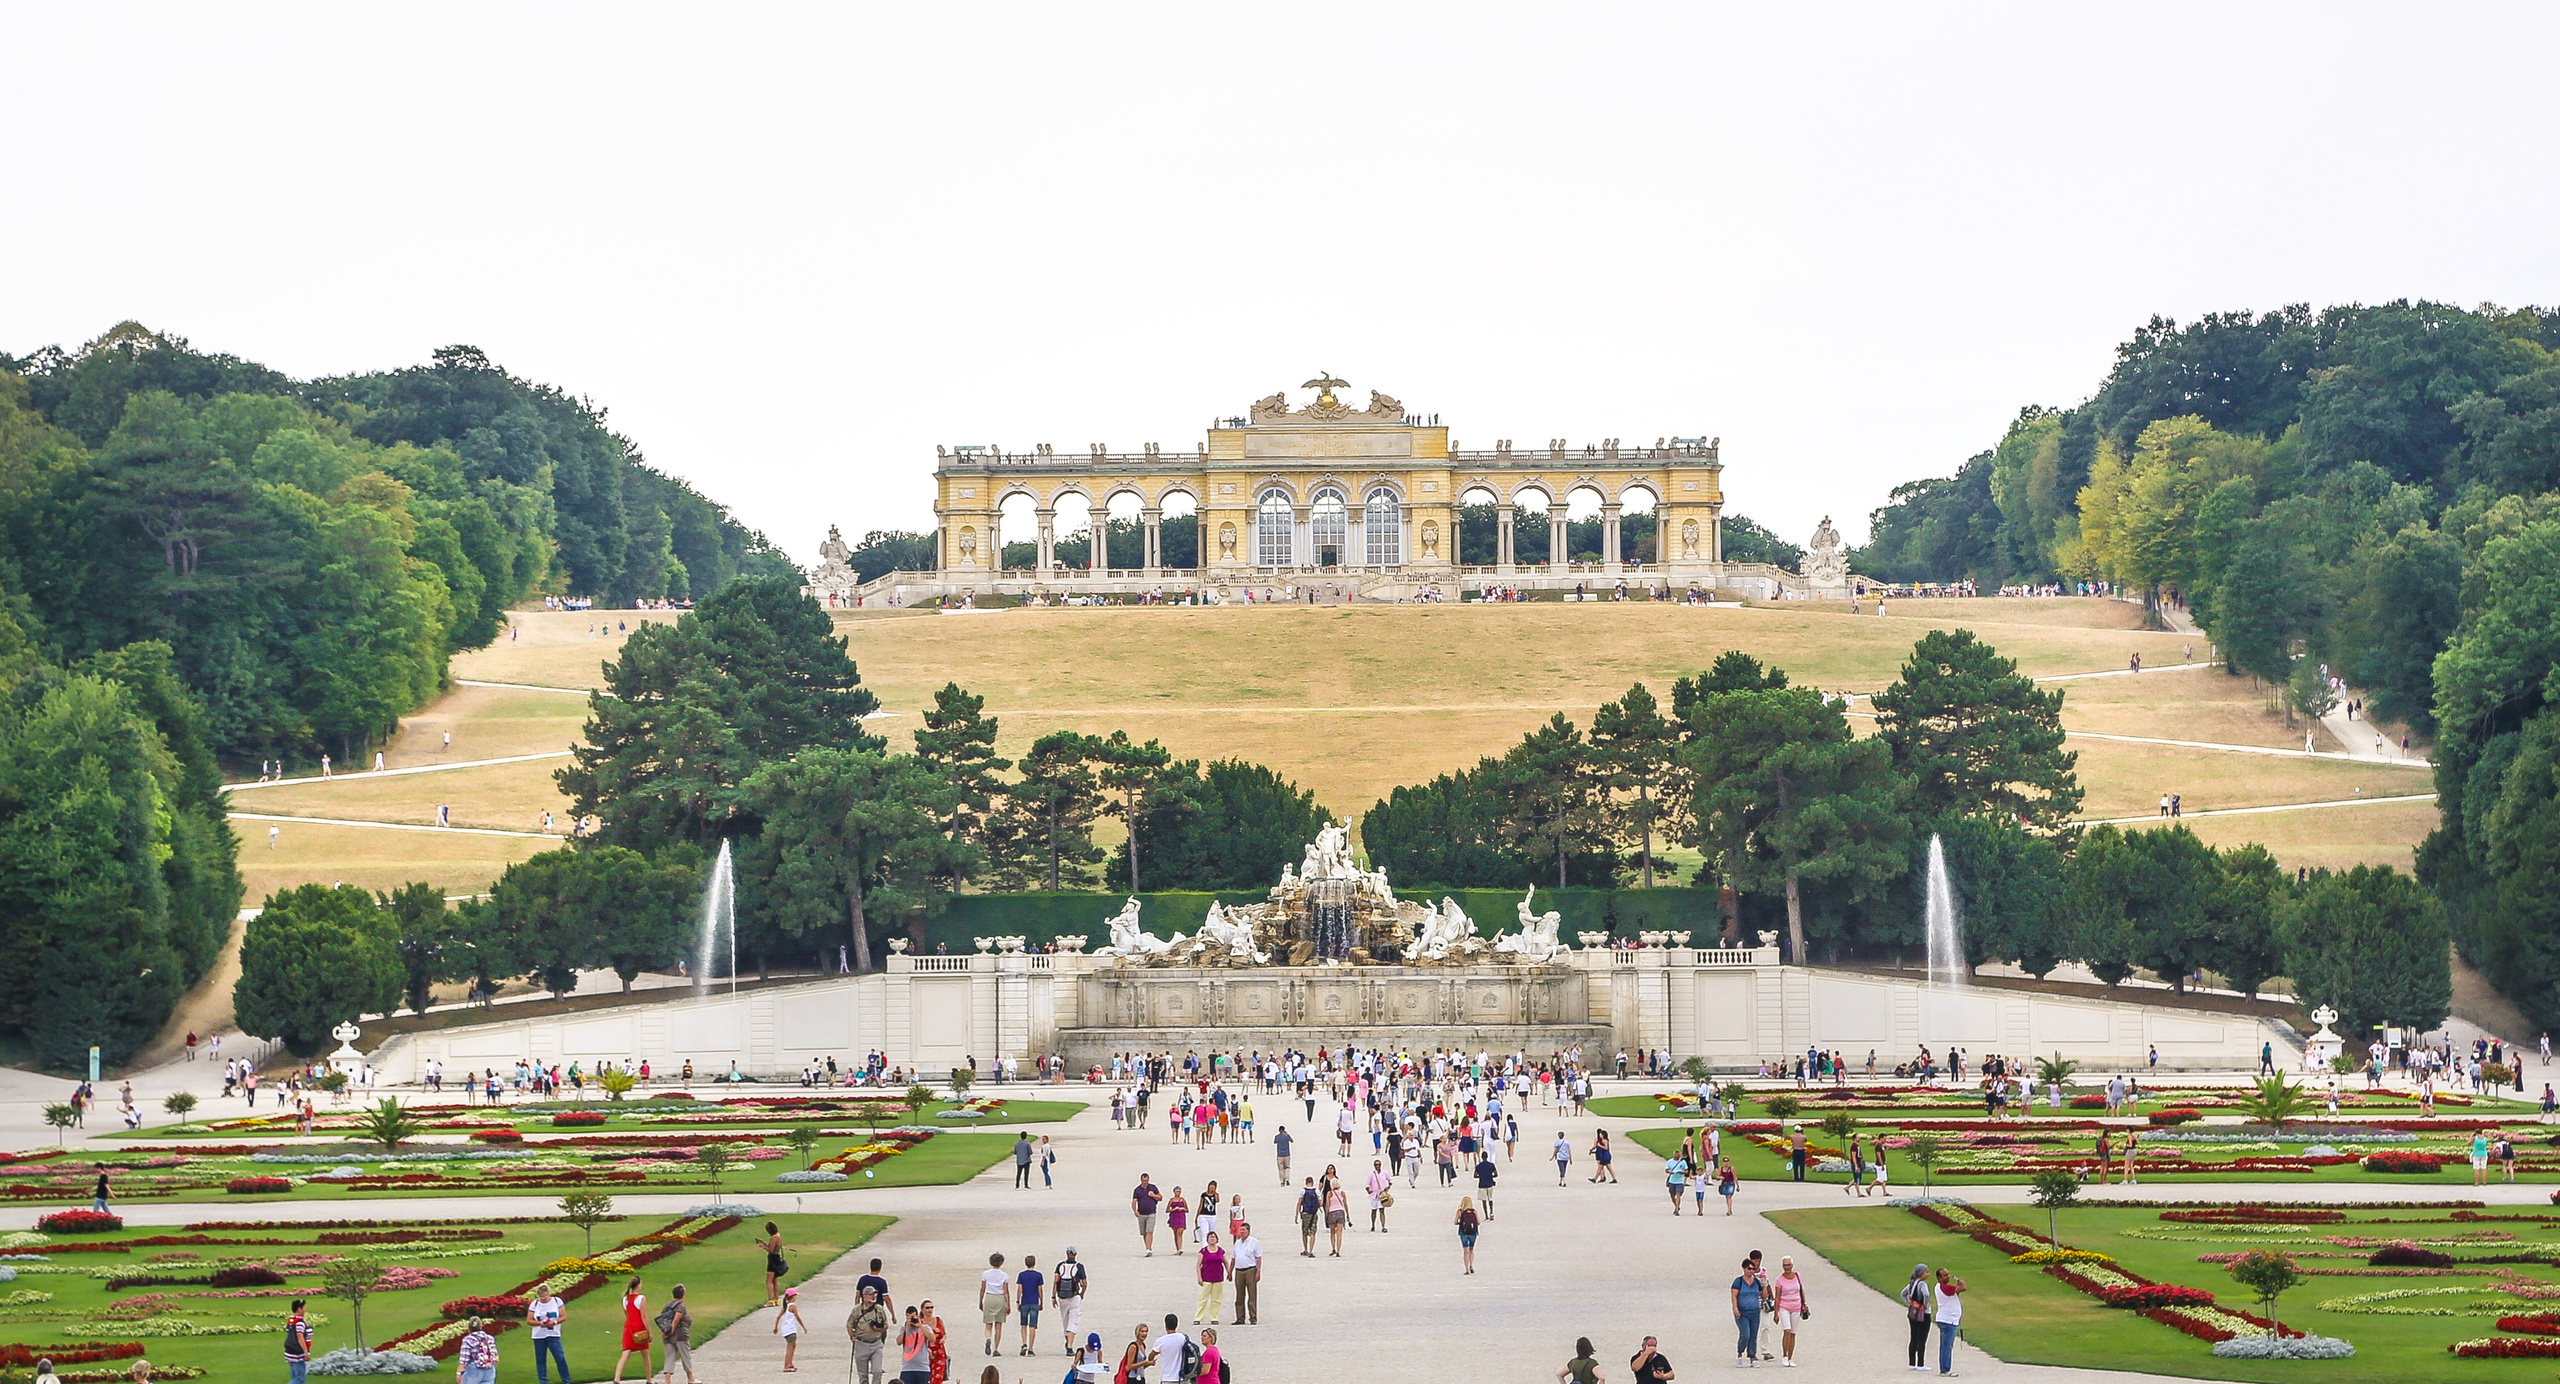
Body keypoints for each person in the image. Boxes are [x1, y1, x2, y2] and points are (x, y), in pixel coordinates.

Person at [848, 1285, 890, 1384]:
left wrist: (879, 1328)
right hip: (861, 1344)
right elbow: (849, 1325)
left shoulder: (879, 1309)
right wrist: (852, 1336)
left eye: (874, 1294)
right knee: (863, 1375)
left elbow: (886, 1324)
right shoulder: (857, 1310)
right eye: (871, 1294)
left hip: (876, 1343)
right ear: (864, 1296)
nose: (873, 1296)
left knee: (877, 1371)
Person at [614, 1276, 651, 1384]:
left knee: (625, 1354)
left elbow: (627, 1315)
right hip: (640, 1329)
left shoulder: (625, 1299)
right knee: (645, 1355)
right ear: (638, 1285)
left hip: (629, 1329)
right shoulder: (641, 1298)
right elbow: (643, 1316)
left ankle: (617, 1378)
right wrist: (649, 1331)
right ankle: (649, 1379)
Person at [1773, 1255, 1809, 1367]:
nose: (1786, 1267)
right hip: (1784, 1306)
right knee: (1787, 1331)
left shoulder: (1798, 1276)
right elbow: (1777, 1297)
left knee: (1793, 1333)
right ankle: (1784, 1355)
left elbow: (1801, 1290)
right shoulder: (1779, 1280)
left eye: (1788, 1265)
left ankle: (1790, 1358)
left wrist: (1804, 1303)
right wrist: (1776, 1313)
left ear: (1792, 1265)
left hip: (1796, 1306)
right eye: (1784, 1265)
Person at [529, 1285, 568, 1384]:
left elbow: (564, 1316)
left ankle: (566, 1380)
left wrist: (554, 1322)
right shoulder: (535, 1304)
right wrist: (539, 1323)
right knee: (541, 1360)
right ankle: (543, 1381)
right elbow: (529, 1320)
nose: (544, 1299)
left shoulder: (557, 1301)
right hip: (539, 1336)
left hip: (553, 1334)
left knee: (560, 1357)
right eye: (541, 1297)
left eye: (545, 1297)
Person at [1732, 1257, 1766, 1368]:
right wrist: (1735, 1308)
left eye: (1753, 1269)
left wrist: (1764, 1285)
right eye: (1749, 1269)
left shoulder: (1756, 1281)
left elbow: (1764, 1296)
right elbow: (1734, 1296)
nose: (1751, 1271)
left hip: (1755, 1312)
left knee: (1753, 1335)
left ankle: (1752, 1357)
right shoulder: (1738, 1282)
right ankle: (1740, 1352)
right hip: (1742, 1313)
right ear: (1744, 1268)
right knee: (1745, 1335)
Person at [657, 1286, 693, 1384]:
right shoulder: (681, 1306)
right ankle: (690, 1378)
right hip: (680, 1335)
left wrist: (664, 1332)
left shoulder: (667, 1306)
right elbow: (677, 1318)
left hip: (668, 1337)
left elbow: (662, 1320)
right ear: (683, 1295)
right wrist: (671, 1331)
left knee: (669, 1357)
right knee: (685, 1356)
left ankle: (667, 1380)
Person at [1932, 1268, 1965, 1375]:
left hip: (1946, 1319)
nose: (1948, 1276)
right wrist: (1961, 1283)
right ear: (1939, 1277)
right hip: (1948, 1320)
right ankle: (1945, 1369)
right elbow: (1963, 1288)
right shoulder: (1944, 1287)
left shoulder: (1939, 1287)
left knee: (1945, 1345)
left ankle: (1944, 1368)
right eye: (1945, 1275)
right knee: (1947, 1346)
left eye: (1948, 1274)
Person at [1052, 1247, 1088, 1347]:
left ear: (1066, 1254)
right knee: (1073, 1322)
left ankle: (1068, 1342)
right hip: (1074, 1297)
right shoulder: (1079, 1266)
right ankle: (1069, 1346)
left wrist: (1053, 1297)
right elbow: (1085, 1283)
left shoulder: (1060, 1265)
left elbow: (1055, 1282)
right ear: (1075, 1254)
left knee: (1065, 1321)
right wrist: (1082, 1294)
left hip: (1062, 1297)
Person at [1194, 1230, 1229, 1324]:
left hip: (1218, 1278)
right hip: (1206, 1278)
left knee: (1216, 1300)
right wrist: (1199, 1277)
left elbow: (1226, 1262)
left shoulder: (1221, 1251)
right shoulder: (1203, 1251)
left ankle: (1214, 1317)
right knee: (1203, 1299)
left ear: (1217, 1239)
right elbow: (1198, 1265)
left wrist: (1229, 1273)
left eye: (1213, 1237)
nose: (1212, 1239)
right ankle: (1198, 1318)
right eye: (1210, 1237)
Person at [1902, 1264, 1933, 1370]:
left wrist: (1910, 1304)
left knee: (1914, 1337)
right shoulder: (1922, 1284)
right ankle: (1920, 1363)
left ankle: (1912, 1363)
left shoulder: (1911, 1283)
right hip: (1923, 1313)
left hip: (1913, 1312)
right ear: (1921, 1273)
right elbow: (1926, 1295)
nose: (1928, 1274)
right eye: (1926, 1272)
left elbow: (1903, 1294)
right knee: (1922, 1338)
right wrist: (1925, 1305)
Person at [978, 1253, 1011, 1355]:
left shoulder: (986, 1274)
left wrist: (980, 1300)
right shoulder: (1004, 1275)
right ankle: (996, 1349)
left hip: (989, 1297)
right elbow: (1006, 1291)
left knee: (988, 1324)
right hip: (1000, 1298)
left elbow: (982, 1288)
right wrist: (1008, 1304)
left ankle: (988, 1338)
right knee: (998, 1325)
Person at [1229, 1221, 1261, 1325]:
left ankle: (1253, 1316)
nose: (1242, 1232)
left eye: (1244, 1230)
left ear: (1248, 1231)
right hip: (1239, 1270)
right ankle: (1240, 1317)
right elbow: (1233, 1258)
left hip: (1250, 1270)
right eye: (1241, 1230)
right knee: (1239, 1295)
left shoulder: (1254, 1242)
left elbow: (1258, 1258)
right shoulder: (1237, 1243)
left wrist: (1258, 1271)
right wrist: (1230, 1271)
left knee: (1252, 1294)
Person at [1014, 1254, 1044, 1356]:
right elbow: (1040, 1290)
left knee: (1023, 1324)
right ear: (1034, 1263)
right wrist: (1041, 1301)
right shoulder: (1038, 1275)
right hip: (1034, 1301)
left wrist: (1018, 1301)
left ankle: (1024, 1343)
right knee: (1033, 1325)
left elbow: (1020, 1289)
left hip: (1025, 1301)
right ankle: (1031, 1348)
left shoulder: (1021, 1275)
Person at [897, 1308, 931, 1384]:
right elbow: (899, 1342)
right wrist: (907, 1328)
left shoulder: (925, 1327)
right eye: (908, 1317)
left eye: (913, 1317)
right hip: (907, 1368)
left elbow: (932, 1339)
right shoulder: (903, 1328)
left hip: (923, 1368)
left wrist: (920, 1326)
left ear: (917, 1316)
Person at [1133, 1174, 1163, 1256]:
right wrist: (1135, 1211)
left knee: (1149, 1231)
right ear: (1141, 1180)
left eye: (1146, 1181)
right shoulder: (1137, 1190)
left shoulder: (1152, 1188)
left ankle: (1148, 1249)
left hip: (1151, 1212)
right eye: (1143, 1181)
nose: (1145, 1182)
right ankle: (1147, 1246)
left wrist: (1153, 1195)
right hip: (1141, 1214)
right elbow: (1134, 1201)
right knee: (1144, 1233)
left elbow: (1160, 1198)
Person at [284, 1298, 313, 1384]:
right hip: (297, 1354)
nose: (305, 1309)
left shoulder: (291, 1320)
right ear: (299, 1309)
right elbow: (300, 1337)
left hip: (290, 1352)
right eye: (303, 1307)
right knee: (300, 1379)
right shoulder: (299, 1322)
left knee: (295, 1377)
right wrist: (305, 1352)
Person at [760, 1221, 788, 1305]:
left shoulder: (774, 1237)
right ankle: (776, 1299)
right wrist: (764, 1242)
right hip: (777, 1257)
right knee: (775, 1279)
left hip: (773, 1259)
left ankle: (771, 1300)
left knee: (769, 1280)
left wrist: (763, 1247)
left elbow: (771, 1250)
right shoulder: (778, 1235)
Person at [1324, 1175, 1350, 1256]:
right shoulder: (1342, 1193)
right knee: (1339, 1233)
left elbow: (1327, 1205)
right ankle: (1338, 1251)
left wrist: (1326, 1214)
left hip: (1332, 1213)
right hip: (1340, 1212)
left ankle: (1333, 1248)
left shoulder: (1330, 1193)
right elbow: (1345, 1204)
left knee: (1332, 1232)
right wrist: (1348, 1215)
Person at [1455, 1194, 1480, 1274]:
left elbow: (1455, 1222)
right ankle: (1471, 1265)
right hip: (1473, 1232)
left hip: (1463, 1232)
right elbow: (1478, 1222)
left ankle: (1466, 1269)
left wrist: (1461, 1222)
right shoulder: (1474, 1211)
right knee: (1471, 1249)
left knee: (1466, 1251)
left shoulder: (1460, 1212)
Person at [1296, 1176, 1320, 1257]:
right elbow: (1320, 1203)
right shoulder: (1316, 1191)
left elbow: (1299, 1203)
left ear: (1306, 1182)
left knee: (1304, 1232)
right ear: (1312, 1182)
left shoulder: (1303, 1191)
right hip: (1314, 1213)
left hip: (1305, 1213)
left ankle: (1305, 1249)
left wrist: (1297, 1214)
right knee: (1313, 1232)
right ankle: (1311, 1251)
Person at [1366, 1159, 1392, 1231]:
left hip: (1382, 1195)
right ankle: (1373, 1225)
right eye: (1376, 1165)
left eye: (1379, 1164)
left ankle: (1383, 1226)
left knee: (1382, 1210)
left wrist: (1387, 1187)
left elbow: (1390, 1180)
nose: (1377, 1166)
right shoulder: (1371, 1174)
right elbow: (1367, 1184)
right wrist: (1369, 1190)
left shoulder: (1384, 1173)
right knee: (1374, 1210)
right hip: (1374, 1195)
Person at [1167, 1187, 1191, 1254]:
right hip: (1174, 1217)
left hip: (1181, 1217)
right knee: (1175, 1233)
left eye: (1179, 1191)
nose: (1178, 1193)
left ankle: (1180, 1248)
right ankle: (1177, 1248)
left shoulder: (1182, 1200)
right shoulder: (1171, 1200)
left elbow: (1187, 1210)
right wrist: (1173, 1209)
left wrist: (1182, 1208)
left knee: (1180, 1232)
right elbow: (1167, 1210)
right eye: (1177, 1191)